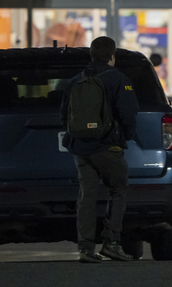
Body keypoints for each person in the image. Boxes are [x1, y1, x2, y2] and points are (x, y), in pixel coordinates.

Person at [60, 36, 139, 263]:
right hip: (107, 146)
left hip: (81, 149)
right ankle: (111, 243)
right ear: (112, 56)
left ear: (92, 55)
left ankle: (85, 248)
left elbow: (64, 115)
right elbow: (128, 114)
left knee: (86, 197)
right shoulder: (118, 79)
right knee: (118, 190)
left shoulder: (76, 80)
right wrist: (125, 136)